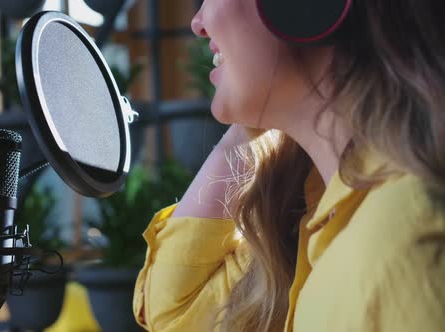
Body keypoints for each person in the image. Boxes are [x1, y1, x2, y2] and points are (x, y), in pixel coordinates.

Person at [133, 0, 445, 331]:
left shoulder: (404, 245)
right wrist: (253, 112)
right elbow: (173, 315)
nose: (198, 23)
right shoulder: (324, 211)